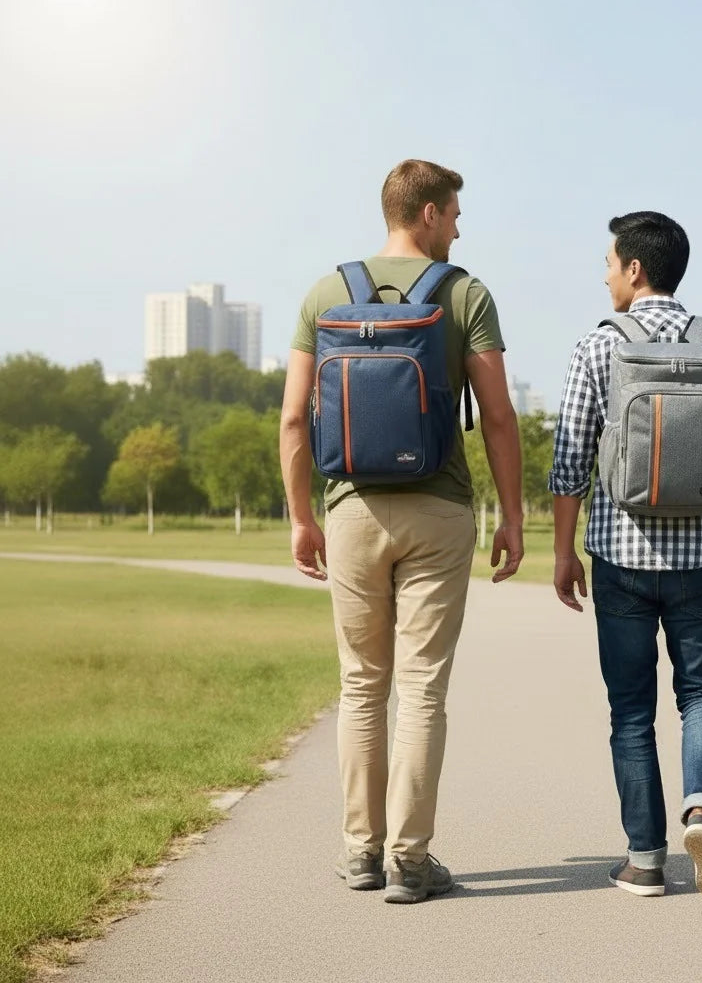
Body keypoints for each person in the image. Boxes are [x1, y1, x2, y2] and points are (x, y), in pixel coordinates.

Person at [279, 159, 524, 904]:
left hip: (351, 510)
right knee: (421, 688)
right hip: (440, 509)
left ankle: (361, 853)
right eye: (453, 214)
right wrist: (513, 516)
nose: (458, 227)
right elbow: (500, 415)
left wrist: (301, 517)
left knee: (362, 686)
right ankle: (410, 864)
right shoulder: (465, 294)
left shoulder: (326, 293)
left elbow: (293, 418)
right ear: (425, 214)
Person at [548, 210, 702, 900]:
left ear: (635, 269)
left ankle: (645, 860)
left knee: (631, 711)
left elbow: (569, 461)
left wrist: (563, 552)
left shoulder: (596, 347)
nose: (605, 274)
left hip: (621, 557)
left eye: (610, 262)